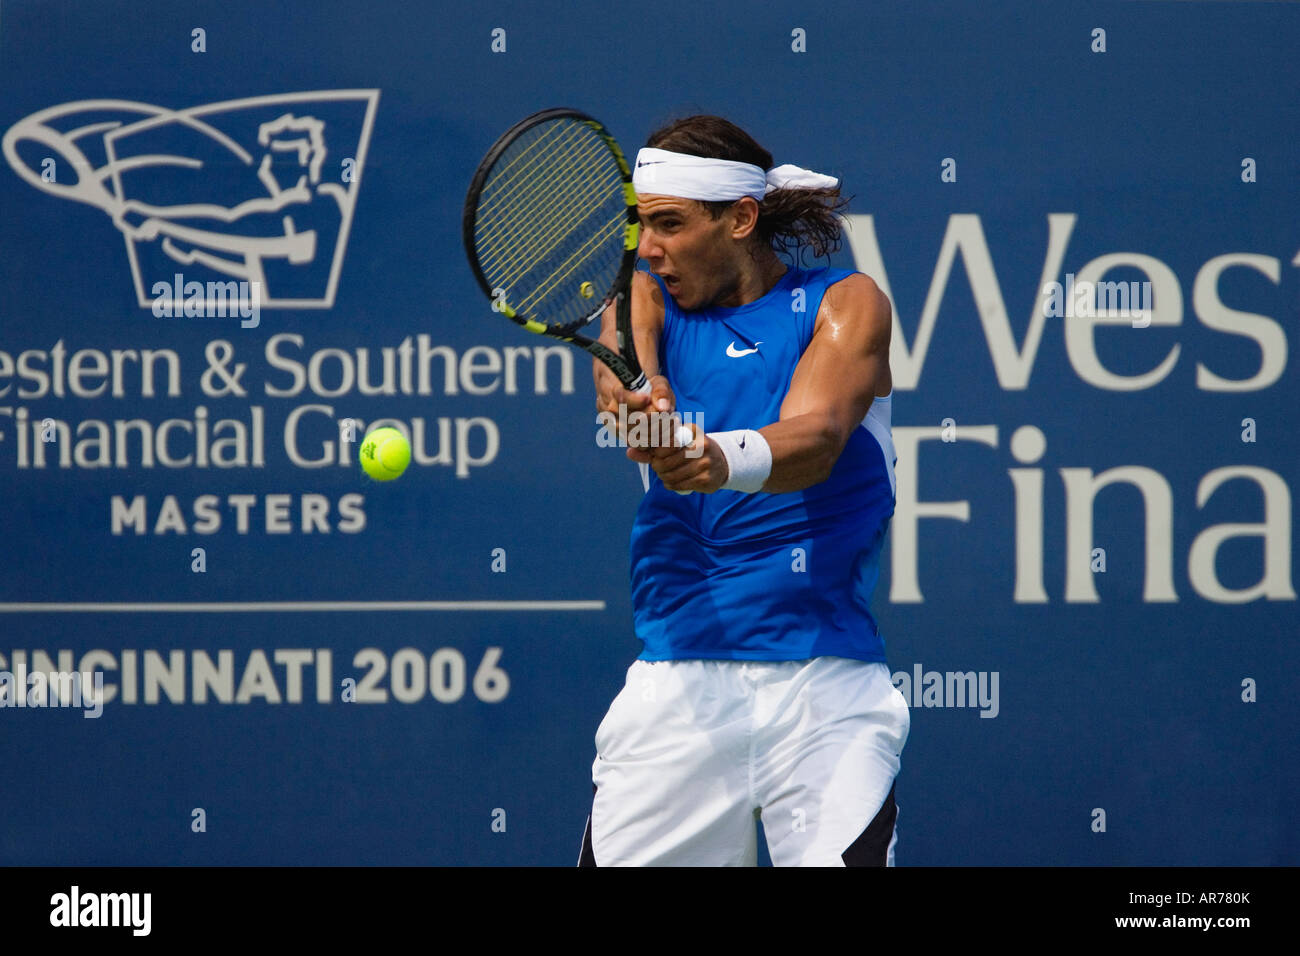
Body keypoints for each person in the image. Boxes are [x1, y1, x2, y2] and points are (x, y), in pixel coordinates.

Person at [578, 115, 908, 866]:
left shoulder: (846, 303)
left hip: (828, 694)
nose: (648, 247)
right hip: (676, 694)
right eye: (639, 225)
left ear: (740, 219)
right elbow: (626, 380)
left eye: (668, 223)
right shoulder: (642, 295)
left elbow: (818, 437)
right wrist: (638, 405)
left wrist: (716, 455)